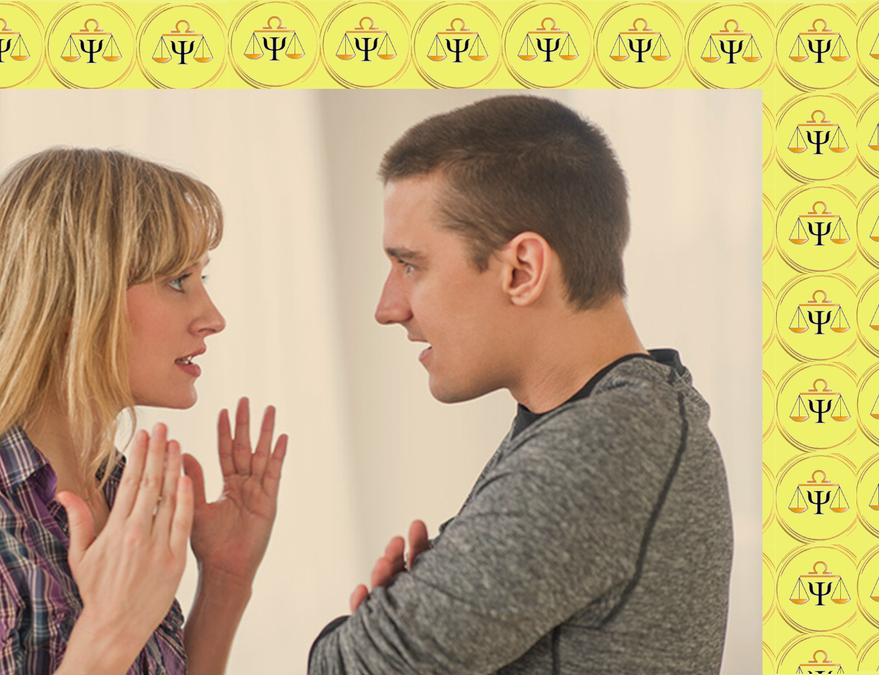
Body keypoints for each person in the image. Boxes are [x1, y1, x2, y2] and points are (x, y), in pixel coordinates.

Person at [308, 96, 733, 673]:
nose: (388, 308)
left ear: (522, 270)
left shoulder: (598, 448)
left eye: (411, 265)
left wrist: (369, 632)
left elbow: (344, 667)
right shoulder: (622, 417)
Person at [0, 147, 289, 675]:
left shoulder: (116, 490)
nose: (212, 317)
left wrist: (227, 580)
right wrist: (109, 631)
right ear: (73, 301)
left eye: (204, 279)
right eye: (178, 281)